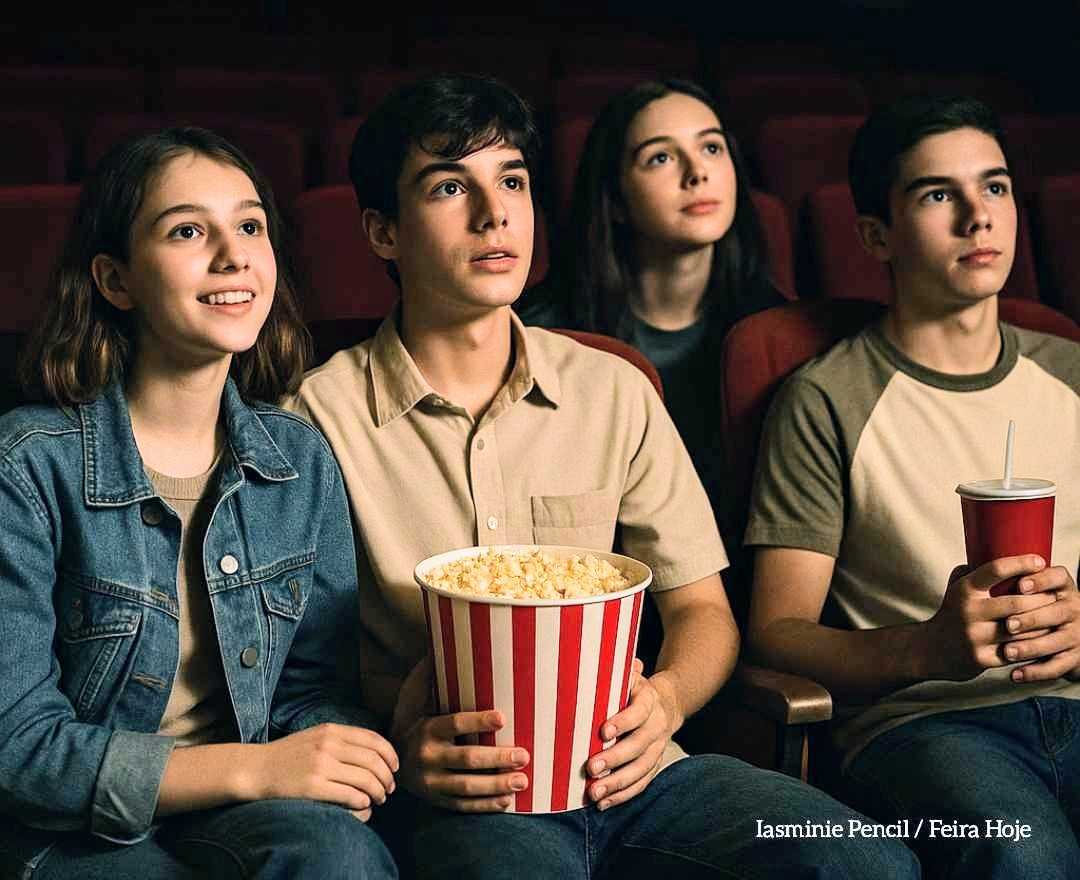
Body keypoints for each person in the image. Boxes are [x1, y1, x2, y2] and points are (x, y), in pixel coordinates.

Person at [288, 73, 920, 880]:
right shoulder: (315, 415)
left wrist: (664, 702)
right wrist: (401, 751)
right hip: (467, 795)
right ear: (382, 232)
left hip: (641, 775)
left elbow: (702, 612)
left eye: (511, 180)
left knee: (872, 865)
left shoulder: (611, 387)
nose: (495, 214)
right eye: (451, 187)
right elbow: (300, 671)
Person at [0, 128, 398, 879]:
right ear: (116, 281)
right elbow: (17, 746)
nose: (234, 254)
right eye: (189, 230)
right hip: (69, 825)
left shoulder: (298, 457)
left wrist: (340, 753)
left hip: (244, 810)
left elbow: (313, 688)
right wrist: (253, 771)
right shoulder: (26, 465)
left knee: (338, 858)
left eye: (250, 226)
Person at [745, 95, 1080, 879]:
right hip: (923, 726)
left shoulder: (1070, 371)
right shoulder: (826, 396)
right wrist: (925, 647)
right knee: (1027, 858)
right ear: (876, 236)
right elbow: (778, 630)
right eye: (939, 195)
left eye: (994, 188)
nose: (978, 217)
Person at [516, 79, 787, 519]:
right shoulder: (542, 334)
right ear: (615, 199)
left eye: (712, 149)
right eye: (660, 157)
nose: (696, 172)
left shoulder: (777, 334)